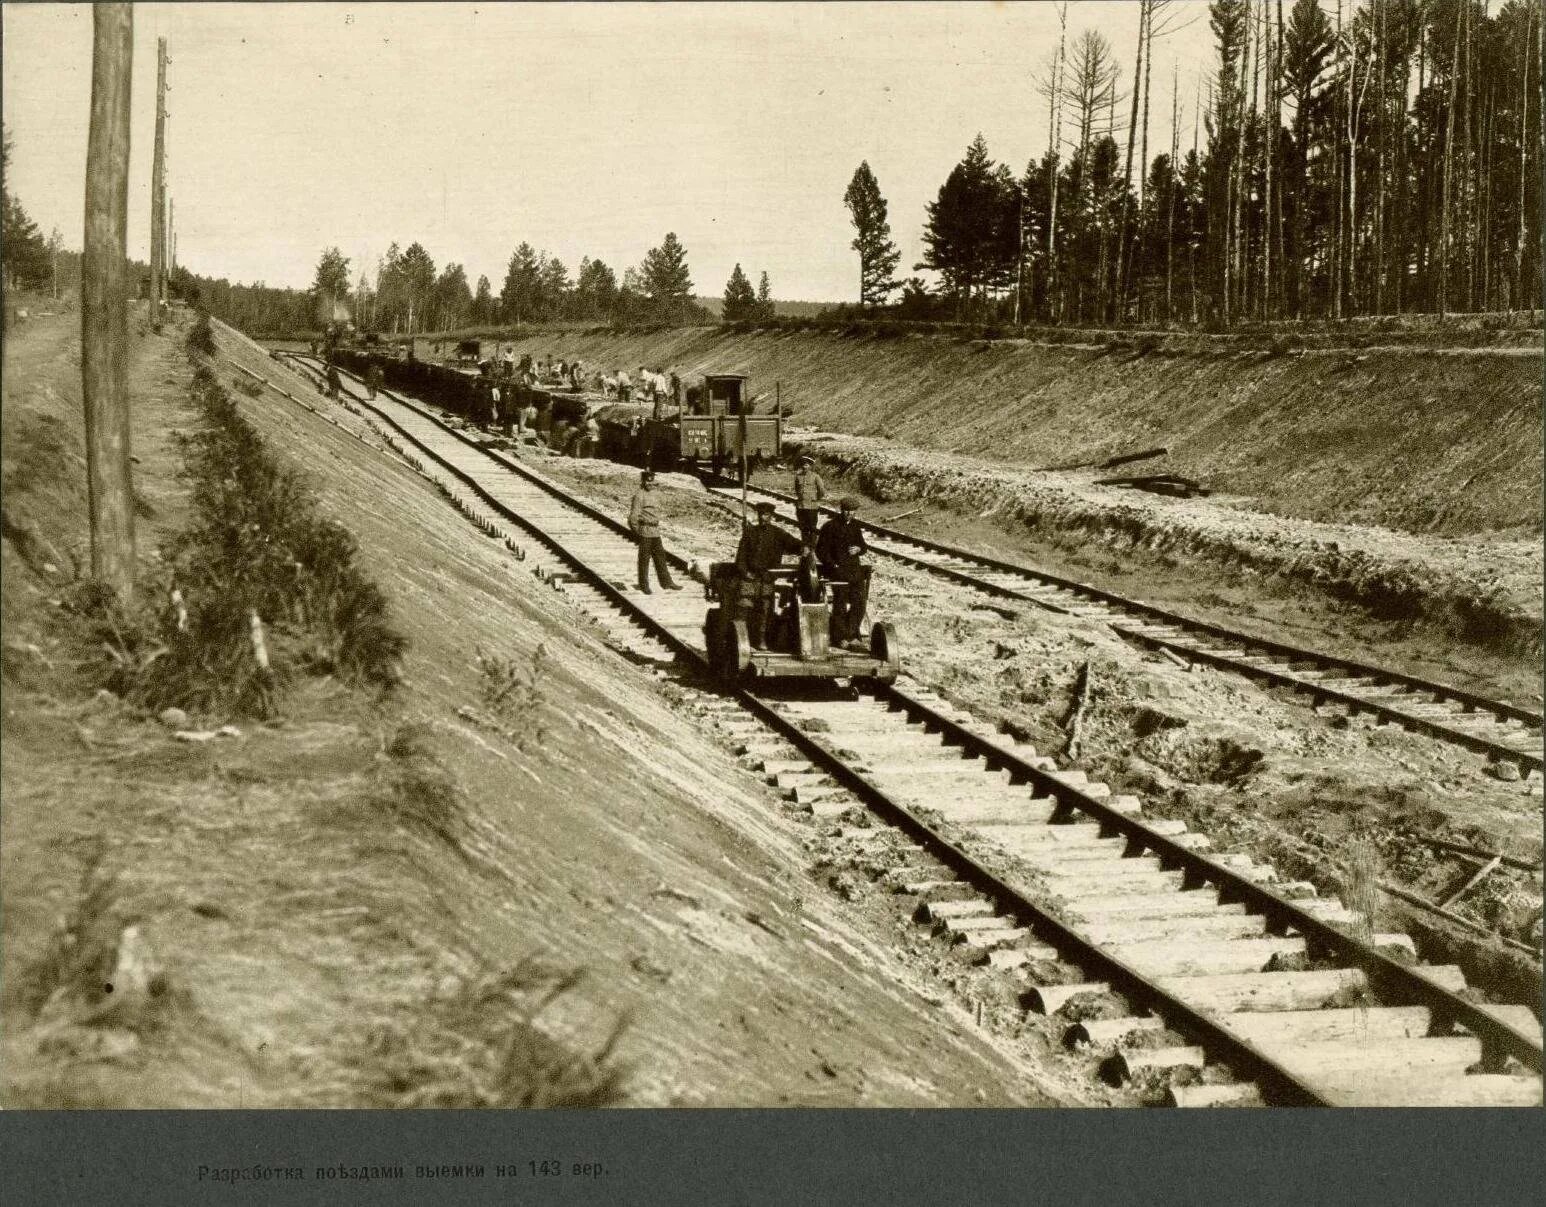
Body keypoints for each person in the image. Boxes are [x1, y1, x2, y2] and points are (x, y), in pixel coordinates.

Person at [735, 500, 802, 649]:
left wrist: (804, 547)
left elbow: (793, 544)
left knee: (765, 610)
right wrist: (745, 573)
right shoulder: (750, 533)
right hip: (750, 577)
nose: (762, 517)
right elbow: (741, 557)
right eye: (760, 514)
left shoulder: (778, 533)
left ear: (771, 516)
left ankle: (761, 640)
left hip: (767, 578)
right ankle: (740, 640)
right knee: (744, 607)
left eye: (766, 515)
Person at [816, 497, 871, 648]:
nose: (849, 514)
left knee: (859, 603)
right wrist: (833, 565)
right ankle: (840, 637)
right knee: (840, 603)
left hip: (853, 572)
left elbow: (863, 546)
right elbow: (820, 550)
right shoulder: (830, 526)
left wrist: (859, 549)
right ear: (841, 510)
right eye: (846, 511)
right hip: (837, 572)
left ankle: (851, 634)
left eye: (852, 511)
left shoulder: (855, 526)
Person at [628, 471, 680, 594]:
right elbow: (633, 518)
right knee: (644, 560)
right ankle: (644, 585)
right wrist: (638, 531)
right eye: (648, 481)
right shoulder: (639, 496)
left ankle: (667, 582)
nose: (650, 483)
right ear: (643, 481)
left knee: (661, 558)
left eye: (652, 481)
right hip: (645, 531)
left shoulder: (654, 494)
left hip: (655, 531)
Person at [793, 456, 826, 547]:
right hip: (801, 506)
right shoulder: (798, 477)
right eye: (803, 465)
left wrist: (816, 499)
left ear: (810, 466)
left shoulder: (816, 476)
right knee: (803, 527)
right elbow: (797, 489)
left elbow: (822, 491)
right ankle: (805, 545)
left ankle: (812, 545)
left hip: (812, 506)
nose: (804, 467)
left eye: (806, 465)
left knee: (812, 527)